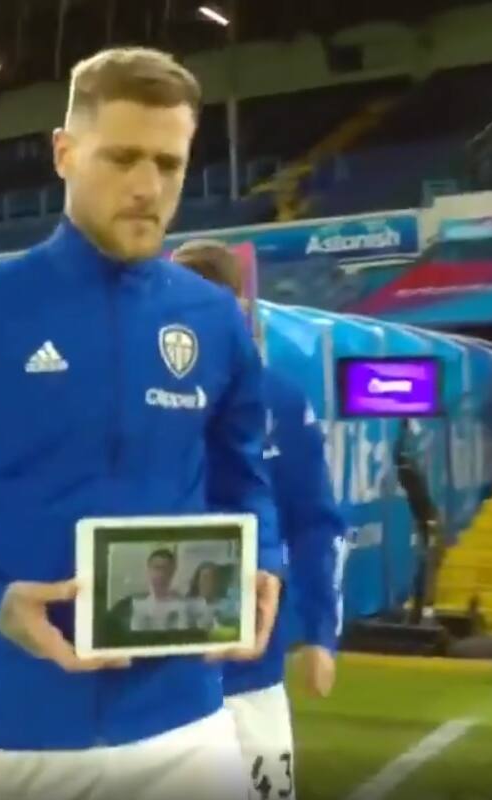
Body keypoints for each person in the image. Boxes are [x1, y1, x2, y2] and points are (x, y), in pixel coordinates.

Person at [0, 47, 283, 800]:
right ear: (64, 153)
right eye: (121, 158)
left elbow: (246, 477)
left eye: (169, 164)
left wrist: (266, 558)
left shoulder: (213, 318)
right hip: (27, 741)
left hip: (191, 726)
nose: (147, 187)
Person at [172, 239, 346, 800]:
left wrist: (320, 632)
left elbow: (313, 522)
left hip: (251, 675)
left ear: (239, 309)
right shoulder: (130, 405)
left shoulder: (280, 402)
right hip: (152, 681)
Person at [129, 548, 190, 632]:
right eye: (157, 568)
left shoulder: (182, 606)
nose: (161, 574)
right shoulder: (138, 606)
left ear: (172, 572)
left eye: (166, 569)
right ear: (148, 570)